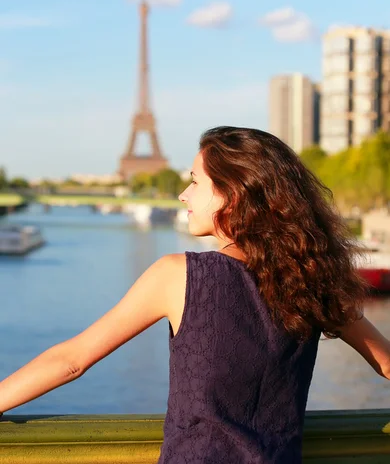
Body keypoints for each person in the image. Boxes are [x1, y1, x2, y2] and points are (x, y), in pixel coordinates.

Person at [0, 126, 389, 463]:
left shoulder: (180, 275)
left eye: (195, 181)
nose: (184, 195)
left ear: (231, 195)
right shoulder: (310, 281)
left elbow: (71, 361)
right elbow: (385, 364)